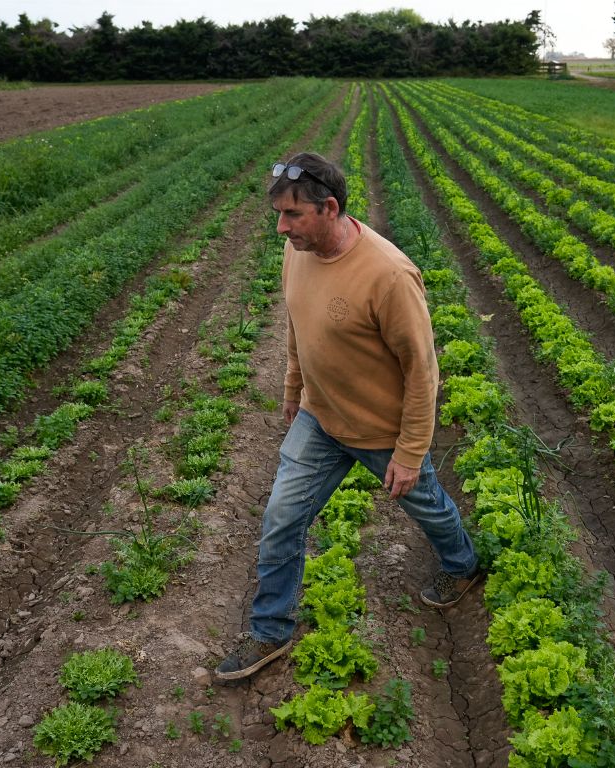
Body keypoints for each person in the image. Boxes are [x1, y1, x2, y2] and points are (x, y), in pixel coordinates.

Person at [215, 152, 480, 682]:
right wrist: (294, 389)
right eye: (278, 214)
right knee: (280, 521)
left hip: (381, 429)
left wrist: (408, 454)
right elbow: (297, 327)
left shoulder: (388, 276)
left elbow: (423, 372)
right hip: (320, 419)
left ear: (328, 208)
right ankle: (271, 630)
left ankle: (463, 565)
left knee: (427, 506)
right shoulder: (299, 252)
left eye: (291, 215)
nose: (280, 227)